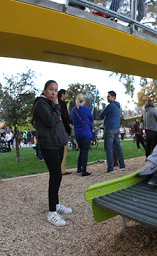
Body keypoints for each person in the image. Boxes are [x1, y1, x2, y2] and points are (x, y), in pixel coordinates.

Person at [32, 80, 72, 227]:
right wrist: (56, 107)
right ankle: (51, 212)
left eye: (55, 90)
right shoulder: (41, 104)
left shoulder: (51, 104)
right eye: (50, 89)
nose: (53, 93)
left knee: (57, 175)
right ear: (44, 90)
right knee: (55, 175)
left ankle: (56, 204)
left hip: (58, 143)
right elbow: (50, 121)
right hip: (49, 145)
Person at [99, 91, 126, 173]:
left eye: (109, 96)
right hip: (116, 128)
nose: (107, 98)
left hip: (109, 128)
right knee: (118, 147)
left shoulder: (110, 106)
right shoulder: (118, 106)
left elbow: (101, 115)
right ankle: (122, 165)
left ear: (114, 97)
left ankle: (110, 168)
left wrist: (105, 116)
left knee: (108, 148)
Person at [71, 94, 95, 177]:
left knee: (81, 151)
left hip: (78, 133)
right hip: (86, 133)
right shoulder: (86, 109)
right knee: (85, 152)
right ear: (83, 100)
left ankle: (79, 168)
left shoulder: (73, 110)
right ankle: (84, 171)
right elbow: (91, 119)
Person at [58, 89, 73, 175]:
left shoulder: (54, 103)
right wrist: (71, 122)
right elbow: (65, 116)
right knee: (64, 150)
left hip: (57, 129)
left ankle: (59, 168)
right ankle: (62, 169)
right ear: (63, 95)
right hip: (63, 129)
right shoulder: (62, 104)